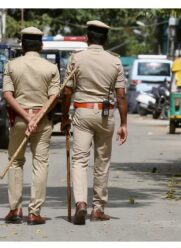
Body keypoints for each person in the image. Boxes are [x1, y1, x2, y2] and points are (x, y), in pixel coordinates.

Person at [61, 20, 128, 225]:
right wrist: (124, 123)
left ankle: (81, 202)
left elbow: (67, 92)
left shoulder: (76, 59)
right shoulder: (114, 61)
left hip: (82, 113)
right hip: (106, 115)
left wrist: (64, 118)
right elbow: (121, 96)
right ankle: (98, 209)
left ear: (86, 37)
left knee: (79, 160)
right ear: (106, 39)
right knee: (102, 162)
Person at [2, 26, 60, 225]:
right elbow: (54, 97)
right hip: (42, 122)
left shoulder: (11, 65)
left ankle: (15, 209)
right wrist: (36, 117)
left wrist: (27, 117)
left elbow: (7, 95)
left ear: (22, 45)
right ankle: (34, 212)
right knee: (40, 163)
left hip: (19, 120)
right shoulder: (51, 68)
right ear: (41, 45)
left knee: (16, 161)